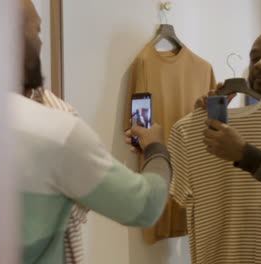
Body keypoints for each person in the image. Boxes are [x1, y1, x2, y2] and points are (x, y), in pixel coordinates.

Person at [16, 1, 172, 263]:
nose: (41, 43)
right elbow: (145, 205)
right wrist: (156, 148)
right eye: (37, 31)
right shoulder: (57, 132)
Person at [197, 30, 261, 198]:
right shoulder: (227, 131)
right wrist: (200, 120)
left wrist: (245, 155)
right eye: (254, 58)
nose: (260, 64)